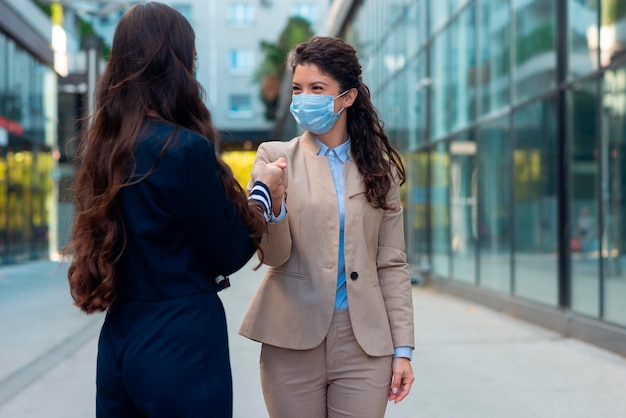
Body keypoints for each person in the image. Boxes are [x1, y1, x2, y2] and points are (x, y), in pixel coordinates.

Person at [66, 3, 285, 417]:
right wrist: (261, 190)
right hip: (183, 338)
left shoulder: (105, 151)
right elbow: (229, 250)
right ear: (174, 65)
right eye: (192, 59)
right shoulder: (183, 149)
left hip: (119, 339)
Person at [239, 36, 415, 417]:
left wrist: (403, 350)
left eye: (317, 89)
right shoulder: (274, 158)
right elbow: (273, 255)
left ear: (347, 97)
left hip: (364, 343)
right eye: (299, 89)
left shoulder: (378, 170)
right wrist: (274, 199)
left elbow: (392, 263)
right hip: (290, 337)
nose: (305, 98)